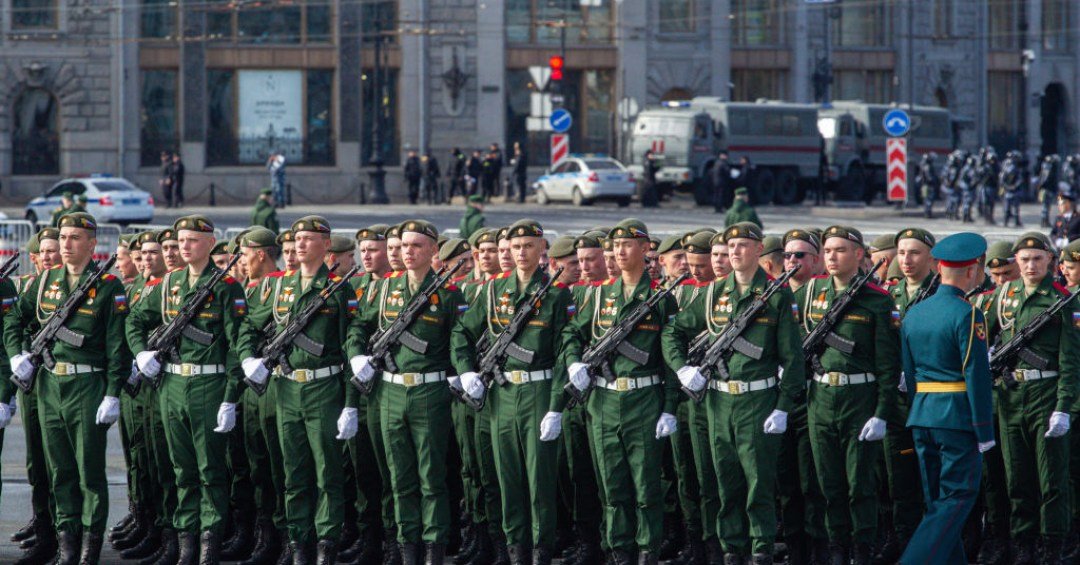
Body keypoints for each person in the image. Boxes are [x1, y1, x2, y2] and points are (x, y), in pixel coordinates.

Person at [666, 221, 806, 564]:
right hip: (717, 401)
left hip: (758, 401)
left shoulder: (776, 293)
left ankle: (760, 549)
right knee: (725, 484)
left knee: (758, 484)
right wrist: (683, 368)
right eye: (732, 247)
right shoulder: (713, 293)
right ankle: (732, 550)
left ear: (759, 250)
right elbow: (673, 331)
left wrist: (784, 405)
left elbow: (792, 355)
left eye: (744, 245)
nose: (736, 252)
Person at [6, 212, 130, 565]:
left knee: (89, 471)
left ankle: (89, 549)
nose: (66, 244)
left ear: (92, 244)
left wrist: (113, 391)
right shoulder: (45, 282)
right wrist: (17, 354)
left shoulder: (107, 286)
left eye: (75, 238)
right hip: (49, 386)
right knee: (59, 471)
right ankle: (67, 545)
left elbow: (117, 346)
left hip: (88, 384)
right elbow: (15, 318)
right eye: (63, 238)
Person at [126, 215, 249, 564]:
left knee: (210, 470)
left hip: (209, 384)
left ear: (210, 244)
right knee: (181, 470)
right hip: (172, 384)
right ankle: (186, 544)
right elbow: (135, 319)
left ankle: (209, 546)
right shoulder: (168, 284)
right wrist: (142, 351)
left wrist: (229, 397)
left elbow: (238, 344)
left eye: (192, 240)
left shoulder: (225, 287)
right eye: (181, 240)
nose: (184, 246)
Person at [238, 216, 359, 563]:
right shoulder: (277, 287)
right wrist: (249, 358)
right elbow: (249, 324)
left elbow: (352, 345)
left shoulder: (340, 288)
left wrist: (350, 404)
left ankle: (326, 546)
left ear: (326, 244)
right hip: (287, 389)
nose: (301, 244)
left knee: (327, 476)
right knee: (294, 475)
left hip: (324, 388)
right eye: (297, 239)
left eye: (309, 239)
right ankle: (299, 544)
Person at [453, 219, 573, 565]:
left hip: (538, 391)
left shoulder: (555, 294)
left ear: (541, 250)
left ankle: (540, 552)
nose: (521, 253)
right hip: (501, 396)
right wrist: (466, 372)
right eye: (516, 247)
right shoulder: (493, 292)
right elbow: (462, 333)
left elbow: (566, 351)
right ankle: (515, 551)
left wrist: (556, 406)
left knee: (540, 485)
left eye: (528, 246)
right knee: (508, 483)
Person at [561, 219, 680, 563]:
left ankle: (647, 550)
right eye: (615, 246)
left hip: (644, 400)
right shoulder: (600, 297)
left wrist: (670, 406)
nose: (620, 252)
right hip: (604, 402)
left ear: (645, 249)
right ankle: (620, 551)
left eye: (628, 245)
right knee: (612, 488)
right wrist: (574, 363)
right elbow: (572, 334)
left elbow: (670, 358)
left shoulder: (661, 297)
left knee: (646, 488)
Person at [348, 220, 467, 564]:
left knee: (431, 478)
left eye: (416, 245)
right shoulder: (384, 290)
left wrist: (464, 372)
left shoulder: (447, 294)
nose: (408, 252)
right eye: (403, 246)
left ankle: (433, 549)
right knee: (399, 478)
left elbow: (459, 340)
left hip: (429, 394)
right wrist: (357, 355)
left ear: (433, 250)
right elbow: (359, 324)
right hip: (389, 393)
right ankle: (406, 546)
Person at [799, 226, 901, 564]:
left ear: (859, 254)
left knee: (860, 485)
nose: (831, 256)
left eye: (840, 250)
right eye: (827, 250)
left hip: (860, 398)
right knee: (829, 484)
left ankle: (862, 547)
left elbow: (888, 362)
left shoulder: (878, 299)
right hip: (821, 398)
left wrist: (883, 411)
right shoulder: (811, 292)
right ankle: (837, 547)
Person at [981, 232, 1080, 562]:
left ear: (1050, 260)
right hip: (1010, 396)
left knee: (1052, 480)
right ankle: (1023, 543)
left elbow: (1070, 360)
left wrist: (1064, 407)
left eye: (1037, 258)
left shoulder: (1064, 300)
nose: (1030, 265)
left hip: (1046, 395)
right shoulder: (1004, 296)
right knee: (1017, 478)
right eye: (1024, 259)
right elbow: (983, 334)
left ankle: (1053, 545)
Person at [898, 232, 994, 565]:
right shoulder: (968, 314)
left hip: (922, 415)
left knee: (938, 502)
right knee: (956, 498)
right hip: (956, 419)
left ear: (939, 267)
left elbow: (910, 375)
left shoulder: (914, 313)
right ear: (972, 271)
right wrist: (984, 430)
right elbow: (976, 375)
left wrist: (918, 410)